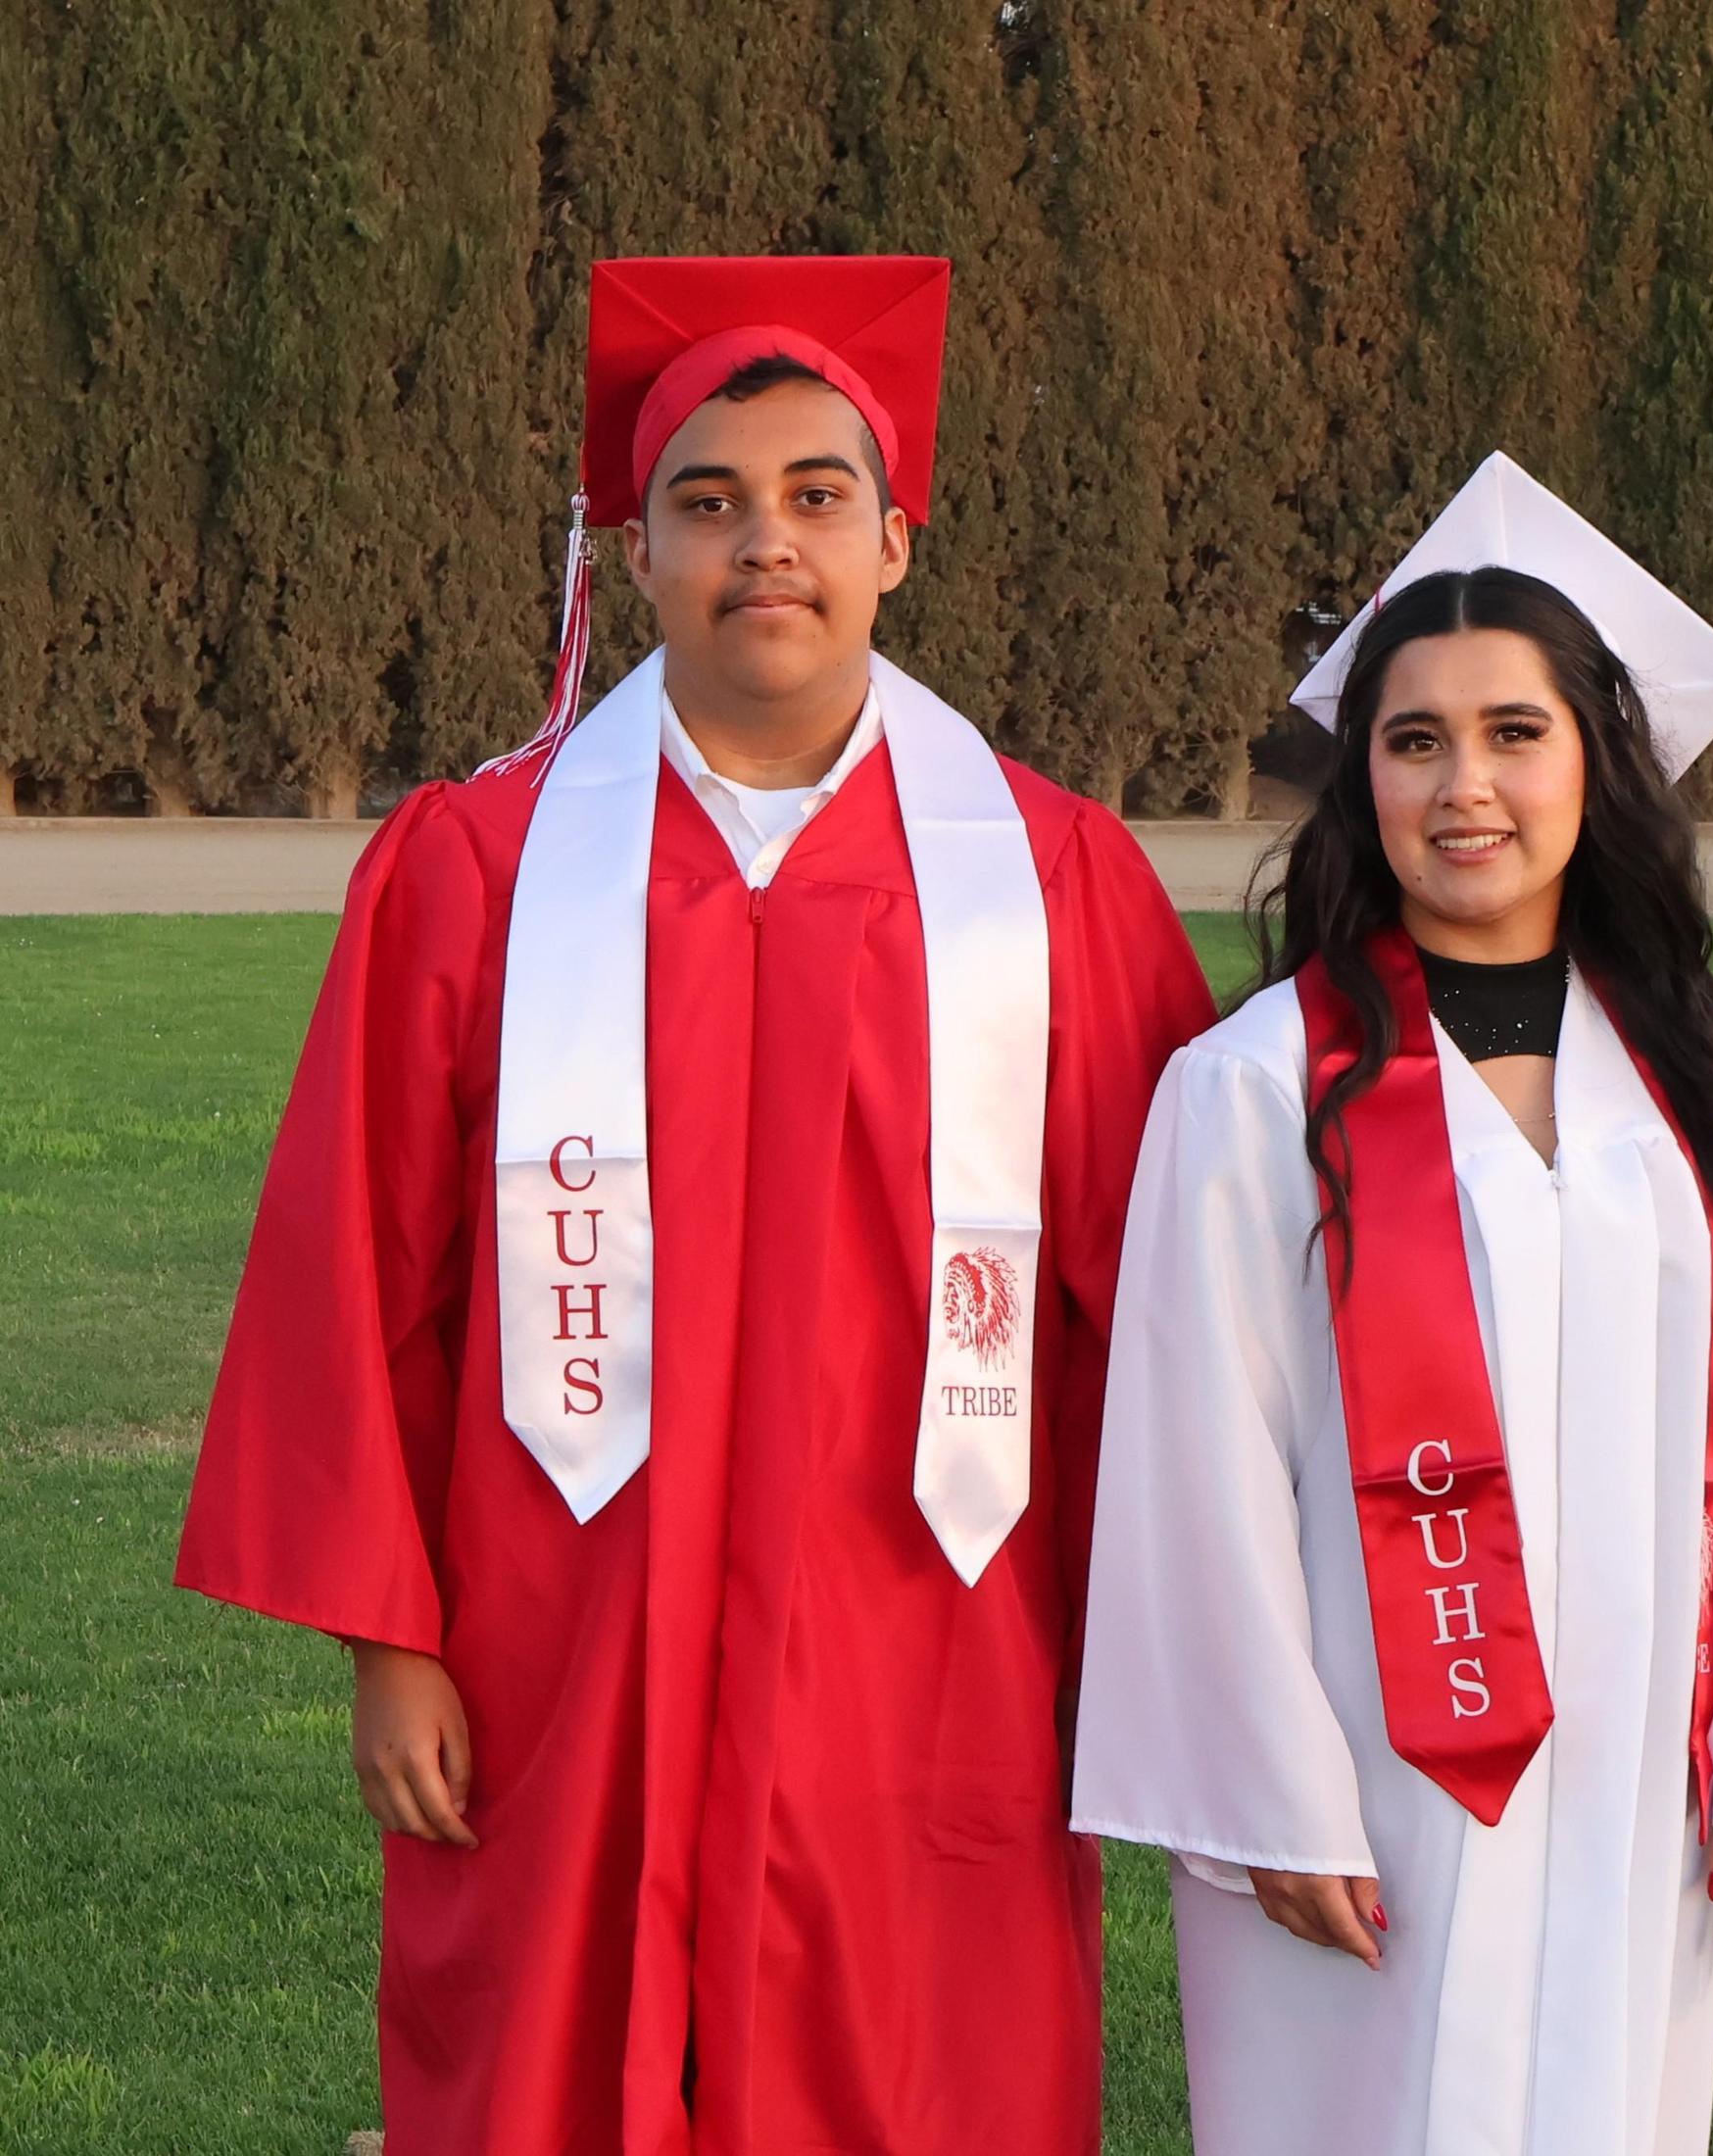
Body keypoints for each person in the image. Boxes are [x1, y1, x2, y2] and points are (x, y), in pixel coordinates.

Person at [176, 254, 1214, 2156]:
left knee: (920, 2068)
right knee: (554, 2067)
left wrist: (1155, 1646)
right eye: (709, 503)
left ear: (895, 541)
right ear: (634, 551)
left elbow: (1170, 1310)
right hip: (560, 1630)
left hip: (933, 1632)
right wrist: (387, 1639)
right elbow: (358, 1268)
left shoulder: (1053, 882)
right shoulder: (480, 868)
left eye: (816, 495)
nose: (765, 543)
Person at [1072, 453, 1713, 2156]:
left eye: (1513, 732)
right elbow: (1194, 1462)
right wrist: (1269, 1791)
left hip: (1636, 1766)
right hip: (1367, 1780)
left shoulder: (1701, 1076)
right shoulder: (1255, 1089)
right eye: (1415, 740)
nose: (1463, 784)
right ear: (1363, 781)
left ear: (1595, 760)